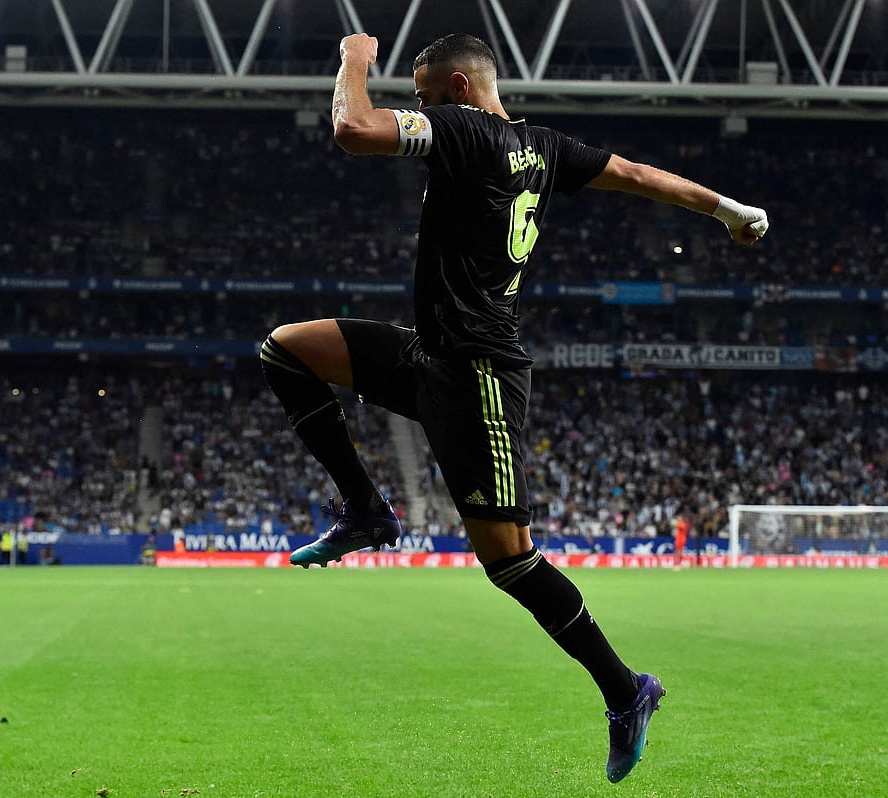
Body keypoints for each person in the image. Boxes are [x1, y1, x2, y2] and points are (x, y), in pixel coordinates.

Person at [259, 32, 768, 783]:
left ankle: (628, 692)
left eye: (426, 96)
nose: (420, 109)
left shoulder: (464, 128)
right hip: (429, 352)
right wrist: (725, 208)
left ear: (461, 89)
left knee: (509, 561)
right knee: (287, 348)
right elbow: (631, 172)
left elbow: (352, 129)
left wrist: (354, 60)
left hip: (479, 375)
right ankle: (364, 510)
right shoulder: (544, 147)